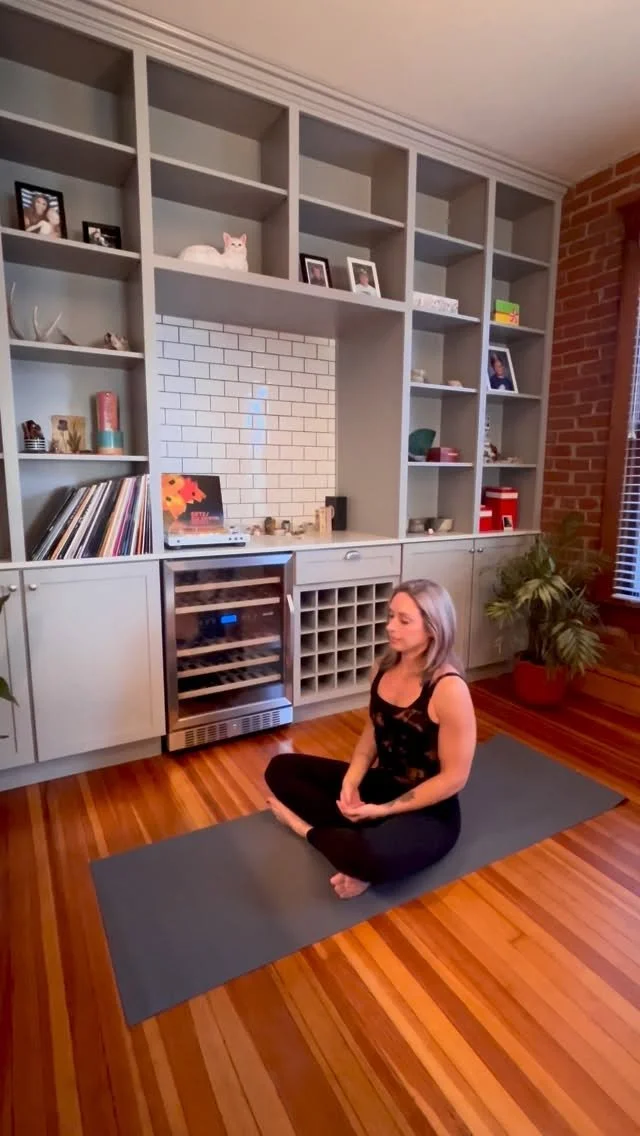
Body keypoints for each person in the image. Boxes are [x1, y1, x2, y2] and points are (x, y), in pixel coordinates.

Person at [265, 579, 476, 899]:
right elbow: (373, 730)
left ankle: (304, 828)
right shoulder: (383, 667)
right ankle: (359, 834)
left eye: (404, 621)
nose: (391, 627)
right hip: (383, 785)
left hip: (429, 809)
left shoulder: (449, 689)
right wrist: (351, 781)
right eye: (391, 616)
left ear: (433, 629)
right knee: (280, 769)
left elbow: (454, 779)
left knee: (368, 857)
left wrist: (384, 810)